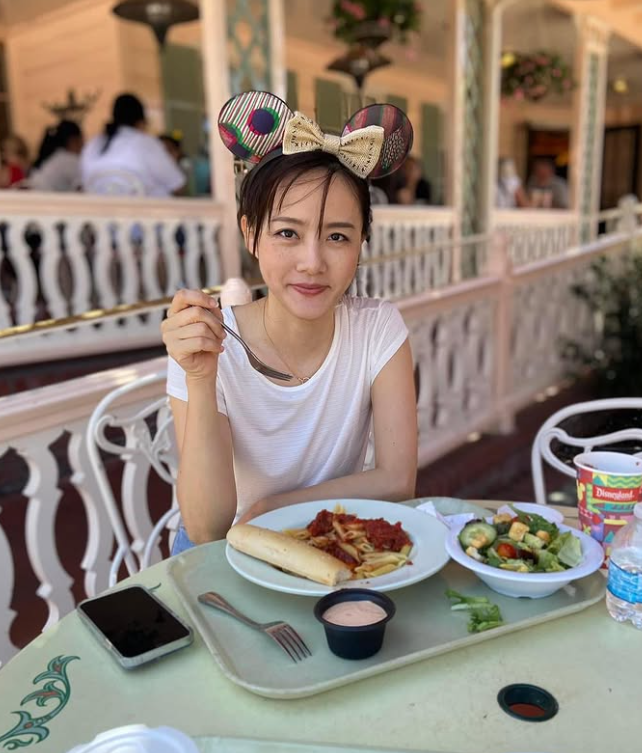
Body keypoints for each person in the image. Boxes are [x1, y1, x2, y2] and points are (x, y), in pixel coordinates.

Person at [162, 92, 418, 551]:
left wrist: (277, 507)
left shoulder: (377, 330)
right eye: (287, 233)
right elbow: (206, 531)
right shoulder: (206, 340)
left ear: (361, 242)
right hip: (226, 554)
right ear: (250, 234)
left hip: (327, 544)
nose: (312, 262)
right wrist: (200, 378)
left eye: (337, 237)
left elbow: (398, 481)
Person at [81, 93, 185, 196]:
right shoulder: (145, 143)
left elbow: (84, 186)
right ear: (140, 121)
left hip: (100, 207)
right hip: (145, 207)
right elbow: (178, 186)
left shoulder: (93, 144)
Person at [29, 120, 83, 192]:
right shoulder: (69, 160)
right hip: (46, 197)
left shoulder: (52, 156)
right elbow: (83, 190)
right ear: (73, 141)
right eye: (81, 141)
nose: (83, 145)